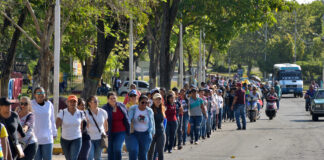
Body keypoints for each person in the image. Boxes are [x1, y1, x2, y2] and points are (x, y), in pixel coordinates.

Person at [102, 92, 130, 160]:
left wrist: (128, 129)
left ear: (116, 98)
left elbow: (127, 117)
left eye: (114, 98)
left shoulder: (122, 106)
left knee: (117, 149)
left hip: (121, 131)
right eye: (111, 98)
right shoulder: (104, 108)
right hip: (109, 132)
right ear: (108, 99)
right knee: (110, 151)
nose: (113, 100)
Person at [56, 95, 85, 160]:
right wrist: (53, 133)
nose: (72, 103)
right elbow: (57, 123)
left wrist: (80, 134)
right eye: (70, 101)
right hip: (65, 140)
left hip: (76, 139)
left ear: (77, 103)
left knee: (73, 158)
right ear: (67, 102)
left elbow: (81, 125)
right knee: (68, 158)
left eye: (74, 102)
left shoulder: (80, 113)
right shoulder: (62, 112)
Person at [31, 87, 57, 160]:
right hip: (34, 138)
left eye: (42, 93)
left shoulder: (49, 104)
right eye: (38, 93)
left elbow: (52, 119)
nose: (40, 95)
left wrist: (54, 133)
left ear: (45, 95)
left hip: (47, 138)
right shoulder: (31, 104)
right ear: (34, 95)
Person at [126, 95, 154, 160]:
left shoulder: (149, 111)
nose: (144, 104)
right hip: (134, 134)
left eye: (146, 103)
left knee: (143, 154)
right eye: (142, 102)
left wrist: (152, 132)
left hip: (145, 135)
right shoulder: (133, 109)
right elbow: (128, 120)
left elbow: (152, 122)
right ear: (139, 102)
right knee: (134, 150)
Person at [86, 96, 108, 160]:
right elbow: (84, 127)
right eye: (95, 101)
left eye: (97, 101)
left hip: (99, 138)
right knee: (90, 156)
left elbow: (106, 125)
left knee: (98, 157)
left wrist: (104, 133)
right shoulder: (85, 113)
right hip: (89, 138)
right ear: (89, 103)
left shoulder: (103, 112)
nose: (97, 103)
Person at [147, 93, 166, 160]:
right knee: (150, 152)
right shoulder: (150, 109)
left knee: (160, 152)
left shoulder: (162, 108)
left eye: (159, 99)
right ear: (153, 100)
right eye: (156, 99)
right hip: (152, 133)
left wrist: (164, 131)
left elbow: (164, 120)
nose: (158, 101)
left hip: (161, 132)